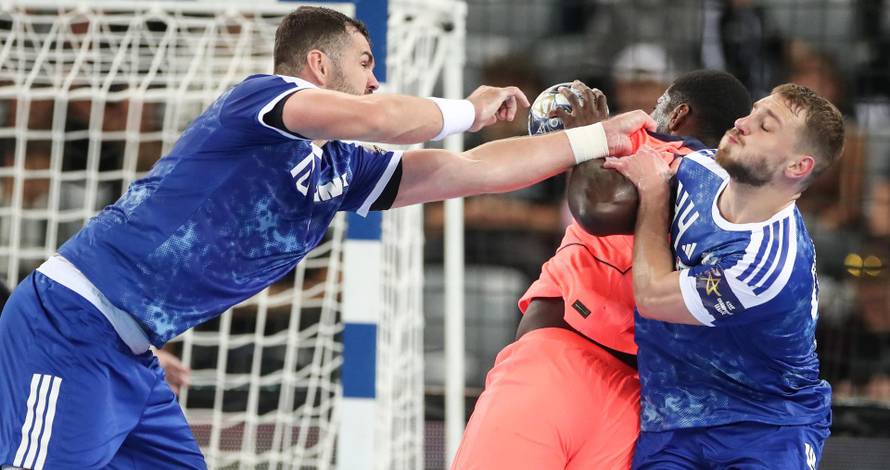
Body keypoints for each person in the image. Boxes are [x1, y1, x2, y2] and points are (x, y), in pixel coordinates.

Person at [0, 6, 653, 469]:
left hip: (132, 353)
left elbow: (476, 169)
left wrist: (599, 138)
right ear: (317, 62)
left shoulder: (343, 168)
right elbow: (383, 114)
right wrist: (468, 109)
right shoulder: (265, 101)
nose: (375, 77)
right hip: (72, 327)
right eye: (365, 63)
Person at [451, 70, 752, 470]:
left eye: (658, 106)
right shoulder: (748, 205)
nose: (649, 114)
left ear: (678, 115)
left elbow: (598, 205)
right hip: (644, 402)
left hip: (561, 362)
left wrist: (588, 135)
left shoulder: (646, 144)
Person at [604, 83, 844, 469]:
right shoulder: (698, 167)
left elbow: (651, 297)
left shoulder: (766, 263)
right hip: (673, 417)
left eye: (765, 126)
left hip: (767, 424)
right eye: (751, 111)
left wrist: (653, 194)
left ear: (798, 166)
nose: (741, 123)